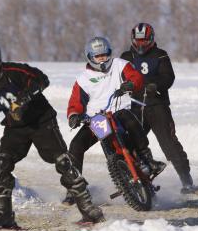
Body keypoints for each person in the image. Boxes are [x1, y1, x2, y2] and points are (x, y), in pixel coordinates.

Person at [0, 38, 104, 228]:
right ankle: (4, 214)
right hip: (16, 128)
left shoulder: (15, 72)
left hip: (41, 121)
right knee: (2, 164)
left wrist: (25, 97)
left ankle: (88, 209)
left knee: (63, 161)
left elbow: (41, 79)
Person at [62, 36, 166, 205]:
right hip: (97, 119)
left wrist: (130, 84)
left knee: (131, 121)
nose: (102, 59)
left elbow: (136, 77)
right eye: (98, 56)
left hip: (119, 111)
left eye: (105, 54)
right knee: (75, 146)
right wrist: (74, 115)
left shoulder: (120, 65)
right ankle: (74, 190)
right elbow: (75, 102)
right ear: (90, 57)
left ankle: (147, 160)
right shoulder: (83, 79)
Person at [120, 23, 194, 194]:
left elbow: (169, 77)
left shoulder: (160, 55)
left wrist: (156, 85)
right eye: (138, 41)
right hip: (134, 107)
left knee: (169, 144)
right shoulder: (125, 57)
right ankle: (139, 180)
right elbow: (118, 76)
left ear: (151, 39)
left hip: (157, 106)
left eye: (144, 40)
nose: (141, 44)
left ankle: (186, 180)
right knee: (130, 144)